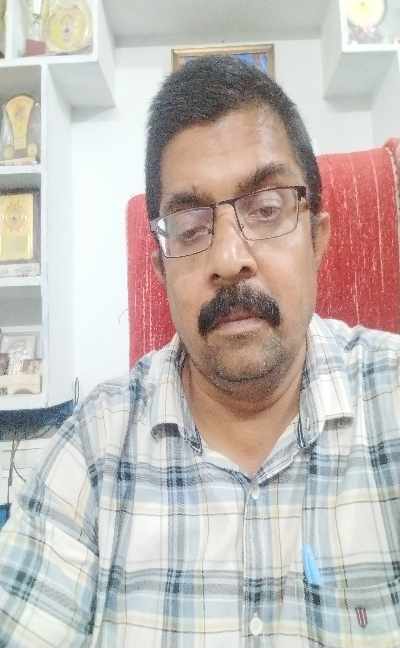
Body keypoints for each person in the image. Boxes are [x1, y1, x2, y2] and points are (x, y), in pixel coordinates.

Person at [0, 55, 400, 647]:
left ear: (317, 240)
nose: (229, 259)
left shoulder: (391, 400)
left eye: (266, 209)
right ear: (161, 269)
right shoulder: (91, 451)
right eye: (190, 227)